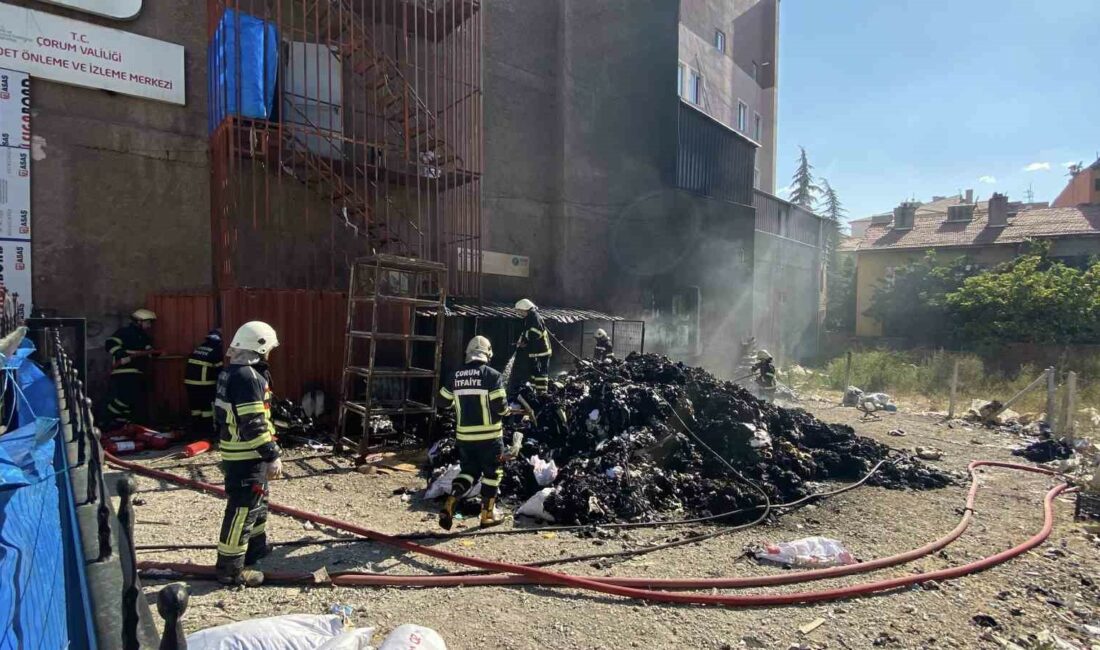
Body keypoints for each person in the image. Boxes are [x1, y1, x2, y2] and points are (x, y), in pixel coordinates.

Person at [214, 321, 283, 587]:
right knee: (242, 510)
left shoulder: (232, 372)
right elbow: (253, 422)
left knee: (257, 504)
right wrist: (271, 454)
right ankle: (230, 569)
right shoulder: (247, 377)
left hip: (241, 452)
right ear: (260, 347)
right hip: (246, 455)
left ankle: (255, 549)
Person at [438, 336, 509, 530]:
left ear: (468, 354)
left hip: (464, 438)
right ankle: (487, 515)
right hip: (490, 438)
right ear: (488, 353)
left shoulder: (455, 375)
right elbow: (500, 406)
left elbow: (442, 402)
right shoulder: (492, 375)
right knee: (492, 474)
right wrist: (506, 412)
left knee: (469, 472)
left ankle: (451, 500)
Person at [102, 309, 159, 428]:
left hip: (138, 372)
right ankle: (106, 417)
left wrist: (153, 353)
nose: (149, 326)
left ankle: (122, 423)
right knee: (125, 398)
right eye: (147, 322)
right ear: (139, 321)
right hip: (124, 371)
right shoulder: (124, 332)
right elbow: (110, 344)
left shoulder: (143, 336)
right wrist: (120, 353)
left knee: (133, 400)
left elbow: (148, 350)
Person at [184, 328, 224, 440]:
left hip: (190, 384)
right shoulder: (216, 351)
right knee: (208, 411)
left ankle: (196, 433)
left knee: (195, 410)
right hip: (205, 385)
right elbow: (220, 370)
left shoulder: (199, 348)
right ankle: (209, 434)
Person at [514, 298, 552, 395]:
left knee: (541, 374)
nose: (519, 313)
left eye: (519, 311)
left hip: (541, 351)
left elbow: (534, 335)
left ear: (524, 309)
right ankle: (535, 392)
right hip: (535, 351)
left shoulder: (535, 318)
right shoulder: (529, 318)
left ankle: (542, 394)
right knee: (534, 372)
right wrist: (524, 341)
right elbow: (528, 333)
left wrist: (525, 343)